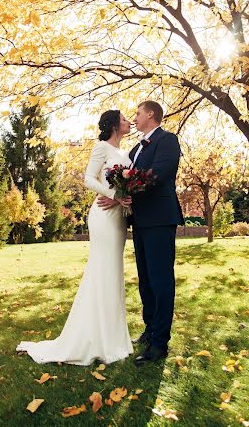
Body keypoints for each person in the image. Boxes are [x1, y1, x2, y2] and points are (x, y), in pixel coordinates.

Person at [16, 110, 134, 365]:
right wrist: (112, 195)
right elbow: (89, 179)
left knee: (113, 272)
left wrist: (125, 198)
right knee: (101, 269)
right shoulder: (102, 148)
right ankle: (92, 337)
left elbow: (126, 185)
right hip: (103, 215)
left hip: (119, 218)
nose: (129, 122)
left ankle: (113, 337)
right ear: (115, 125)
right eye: (125, 119)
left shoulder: (125, 154)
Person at [98, 101, 183, 365]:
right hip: (141, 221)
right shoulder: (136, 148)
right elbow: (124, 176)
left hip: (159, 219)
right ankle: (150, 330)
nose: (133, 118)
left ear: (150, 114)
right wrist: (117, 195)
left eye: (137, 113)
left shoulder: (168, 140)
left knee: (161, 281)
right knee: (146, 280)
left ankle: (160, 344)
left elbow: (155, 176)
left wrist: (122, 194)